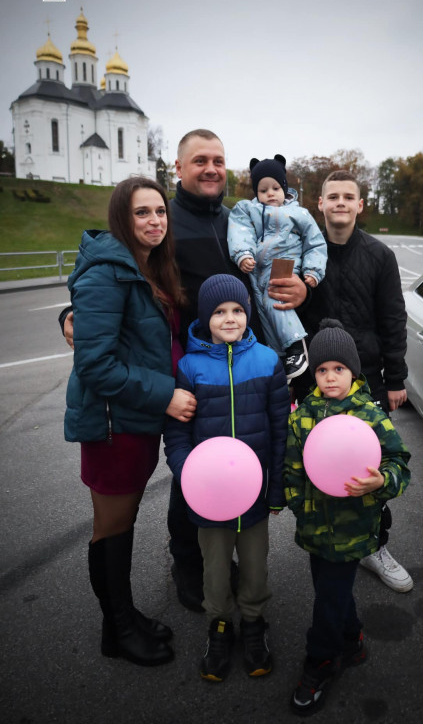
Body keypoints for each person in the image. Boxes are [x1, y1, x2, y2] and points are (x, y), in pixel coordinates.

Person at [61, 129, 308, 613]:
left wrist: (298, 288)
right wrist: (69, 316)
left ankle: (228, 555)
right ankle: (189, 565)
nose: (211, 168)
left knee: (240, 457)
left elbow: (280, 257)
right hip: (187, 368)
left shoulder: (244, 215)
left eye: (218, 159)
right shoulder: (160, 220)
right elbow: (113, 282)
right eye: (199, 160)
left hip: (246, 363)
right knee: (192, 473)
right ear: (179, 168)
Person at [64, 177, 197, 667]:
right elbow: (94, 365)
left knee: (122, 525)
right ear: (123, 217)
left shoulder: (147, 268)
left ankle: (121, 621)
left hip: (136, 421)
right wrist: (165, 396)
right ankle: (118, 629)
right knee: (113, 528)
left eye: (160, 211)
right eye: (142, 212)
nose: (155, 221)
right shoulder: (107, 272)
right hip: (113, 425)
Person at [164, 274, 290, 681]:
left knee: (255, 567)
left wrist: (275, 489)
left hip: (254, 499)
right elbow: (178, 434)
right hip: (209, 499)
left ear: (248, 313)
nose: (230, 318)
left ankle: (253, 623)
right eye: (219, 312)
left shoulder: (268, 361)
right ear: (205, 317)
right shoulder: (190, 367)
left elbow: (278, 431)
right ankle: (219, 626)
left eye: (237, 310)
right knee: (214, 569)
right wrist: (188, 477)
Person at [292, 169, 413, 593]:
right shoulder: (306, 255)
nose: (340, 202)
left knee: (371, 465)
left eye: (349, 196)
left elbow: (393, 319)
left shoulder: (380, 256)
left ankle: (375, 546)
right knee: (313, 463)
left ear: (360, 205)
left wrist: (396, 377)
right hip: (313, 381)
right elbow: (284, 315)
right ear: (320, 205)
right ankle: (323, 537)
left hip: (368, 382)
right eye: (333, 196)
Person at [284, 319, 411, 715]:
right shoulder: (303, 415)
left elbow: (399, 463)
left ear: (353, 372)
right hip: (314, 529)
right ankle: (352, 640)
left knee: (327, 597)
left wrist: (381, 483)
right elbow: (292, 467)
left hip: (354, 529)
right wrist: (295, 504)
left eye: (338, 369)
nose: (329, 377)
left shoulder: (370, 416)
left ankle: (320, 661)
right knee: (329, 588)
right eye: (322, 370)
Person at [228, 154, 327, 381]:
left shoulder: (299, 213)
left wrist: (313, 271)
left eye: (275, 188)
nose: (270, 194)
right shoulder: (247, 210)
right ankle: (281, 359)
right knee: (262, 310)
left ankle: (295, 344)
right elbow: (239, 232)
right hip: (257, 270)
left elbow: (315, 244)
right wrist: (243, 254)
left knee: (275, 300)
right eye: (263, 190)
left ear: (284, 188)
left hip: (286, 265)